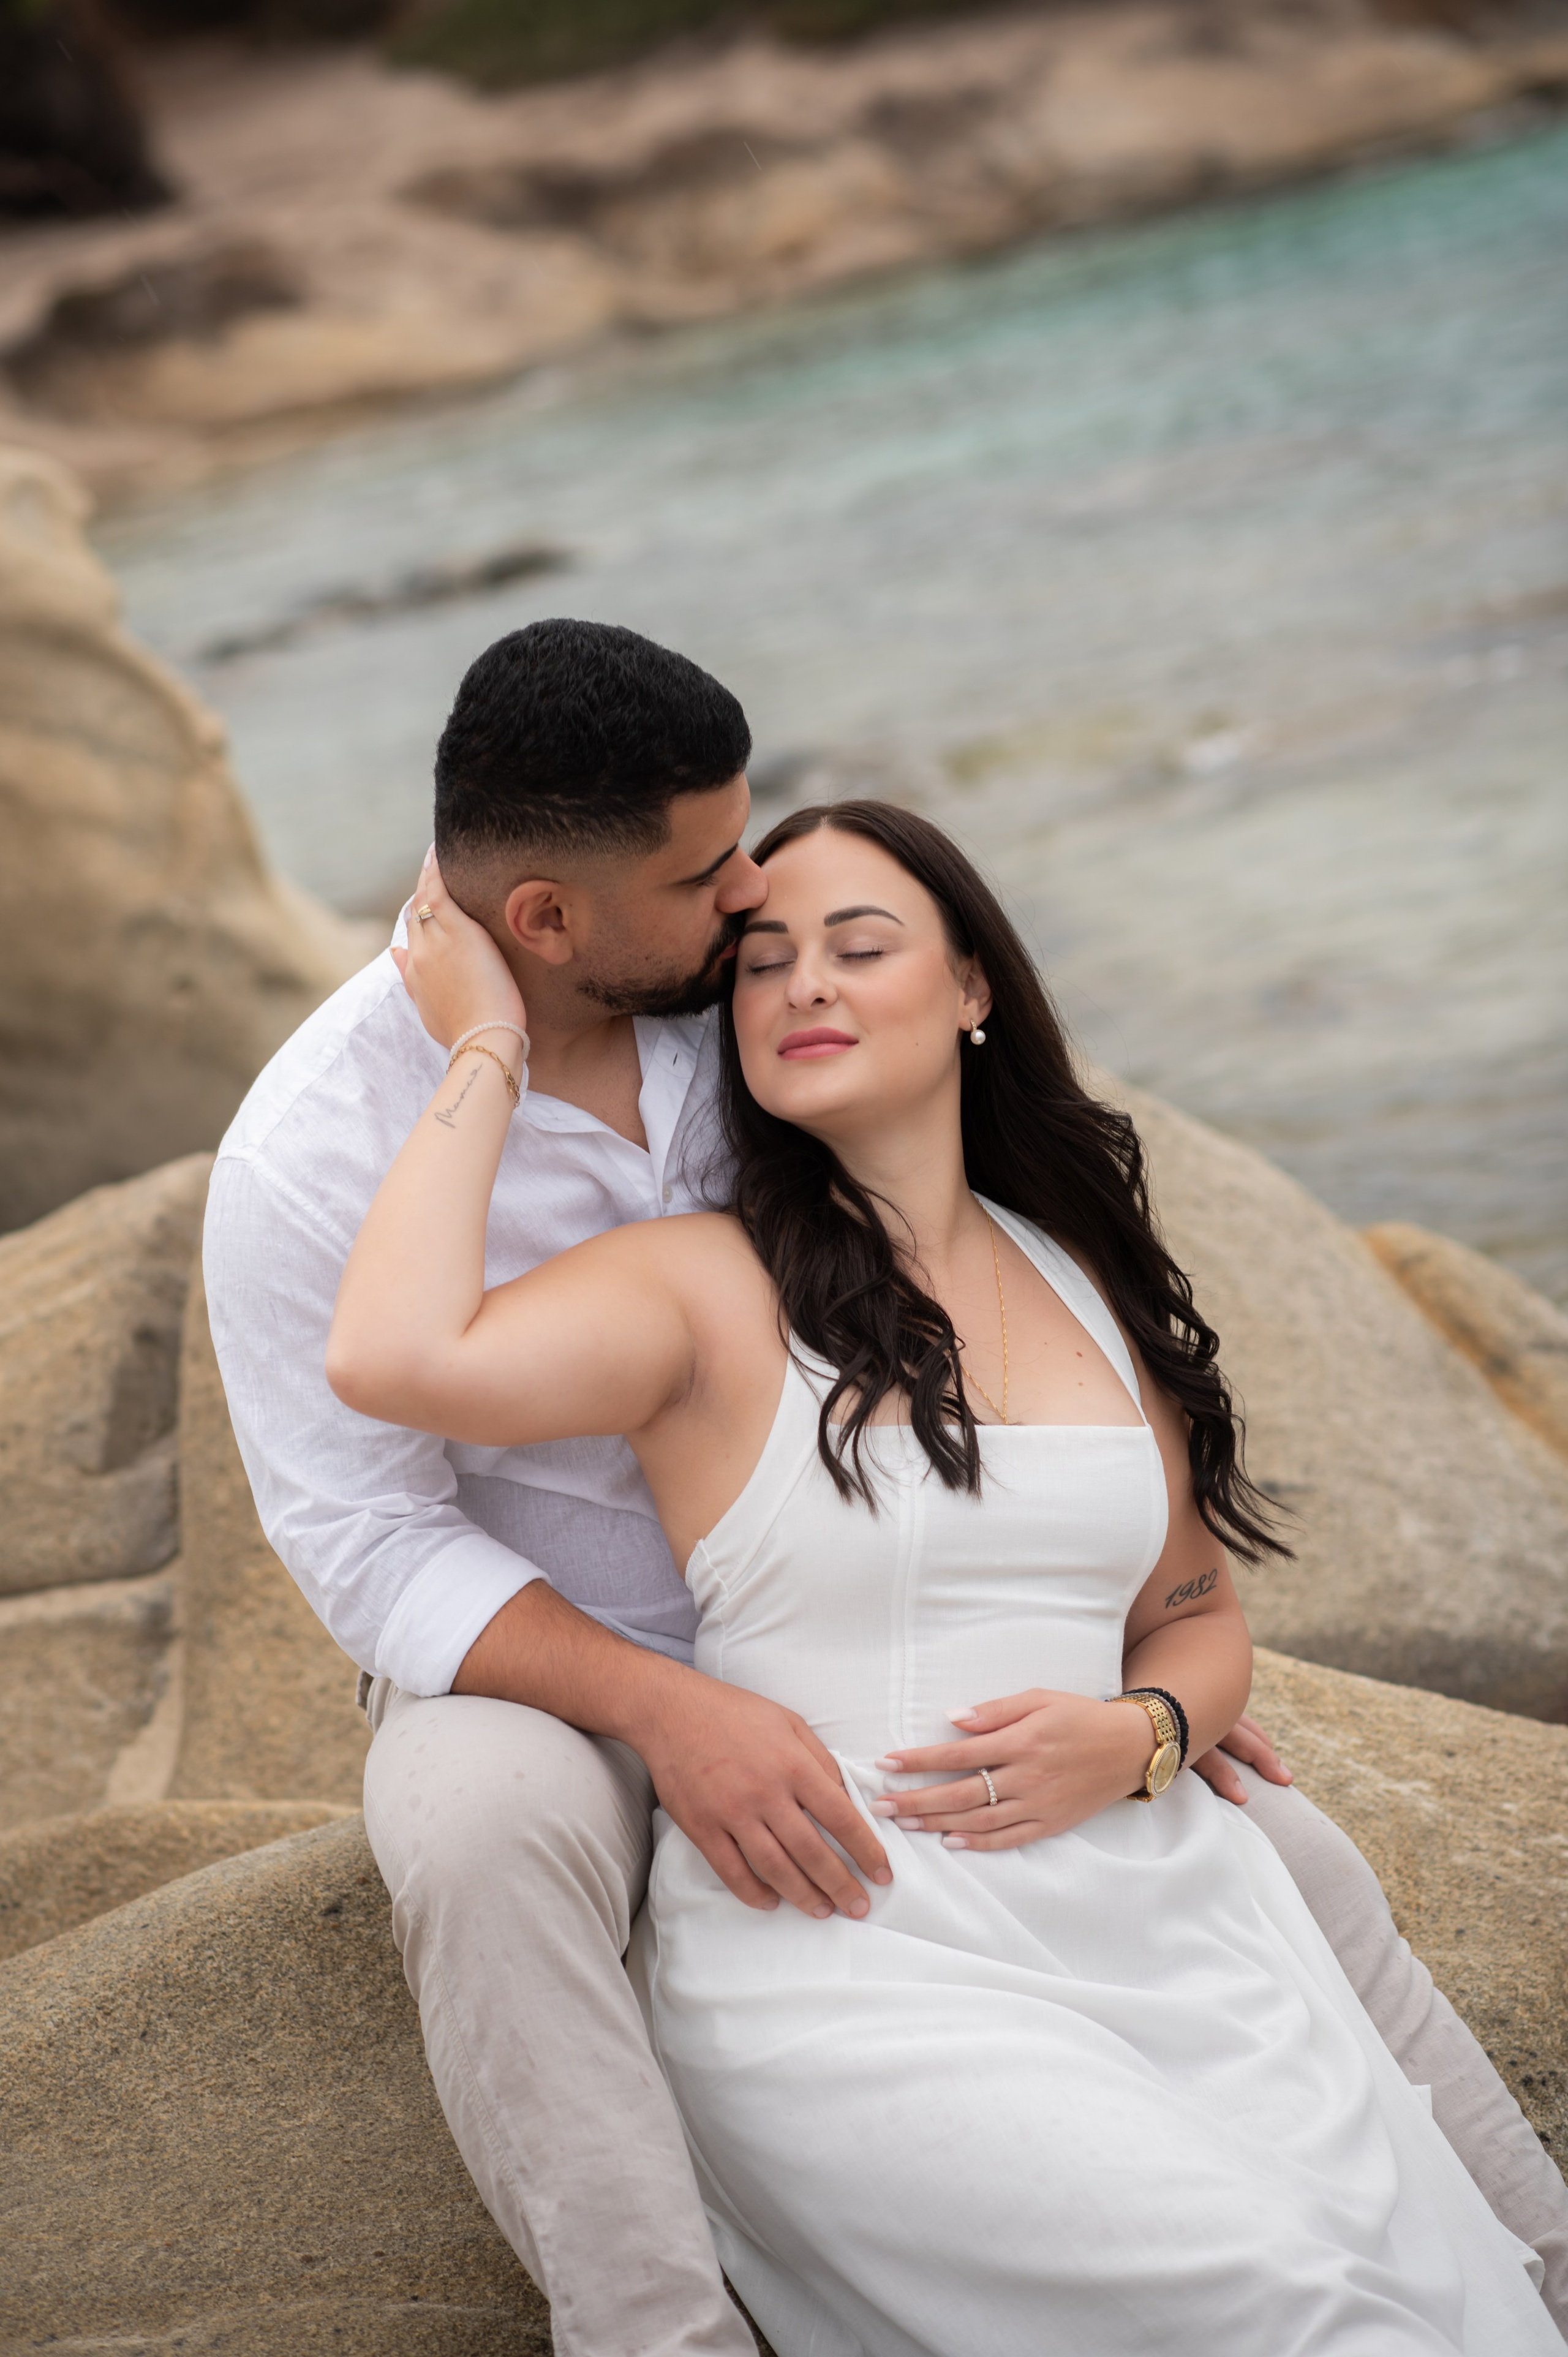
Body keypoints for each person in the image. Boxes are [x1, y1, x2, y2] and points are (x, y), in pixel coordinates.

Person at [205, 621, 1568, 2355]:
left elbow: (1145, 1547)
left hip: (854, 1612)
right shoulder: (308, 1154)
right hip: (553, 1659)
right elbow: (365, 1531)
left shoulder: (739, 1015)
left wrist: (1141, 1707)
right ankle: (654, 2333)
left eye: (786, 889)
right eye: (717, 884)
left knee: (1277, 1841)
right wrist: (666, 1707)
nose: (759, 908)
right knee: (479, 1841)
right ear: (545, 920)